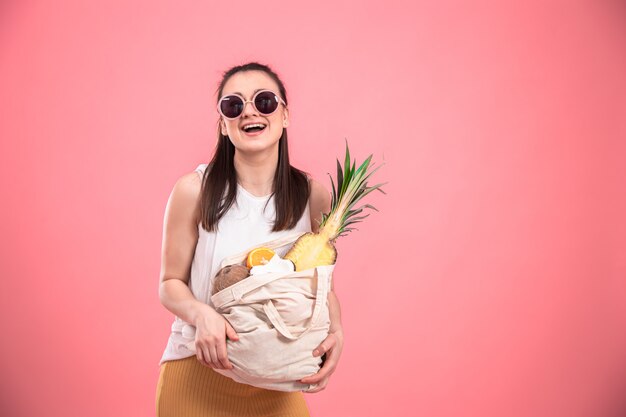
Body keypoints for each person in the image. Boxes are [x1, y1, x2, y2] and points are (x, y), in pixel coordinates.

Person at [155, 61, 345, 417]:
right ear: (224, 125)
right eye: (233, 105)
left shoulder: (313, 197)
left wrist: (337, 331)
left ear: (285, 115)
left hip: (278, 378)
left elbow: (321, 285)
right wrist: (201, 315)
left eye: (265, 101)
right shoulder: (194, 190)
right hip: (199, 373)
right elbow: (169, 283)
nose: (249, 112)